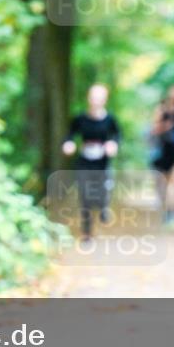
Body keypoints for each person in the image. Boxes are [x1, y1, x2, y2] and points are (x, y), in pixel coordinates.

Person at [62, 84, 121, 242]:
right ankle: (86, 233)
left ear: (105, 100)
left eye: (99, 97)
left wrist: (113, 144)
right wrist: (69, 144)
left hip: (102, 162)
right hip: (84, 162)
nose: (96, 100)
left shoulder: (110, 119)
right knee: (85, 195)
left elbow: (117, 135)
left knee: (101, 191)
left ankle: (103, 208)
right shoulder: (80, 119)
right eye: (93, 97)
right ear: (89, 98)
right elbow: (70, 135)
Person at [149, 85, 174, 224]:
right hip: (162, 151)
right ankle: (166, 210)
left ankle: (172, 212)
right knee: (162, 184)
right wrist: (166, 126)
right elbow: (154, 129)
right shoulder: (161, 110)